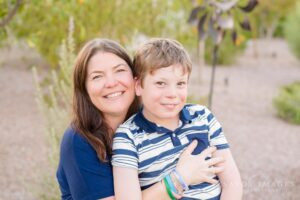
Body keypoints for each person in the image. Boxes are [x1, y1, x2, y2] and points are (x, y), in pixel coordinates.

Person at [56, 38, 226, 200]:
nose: (111, 82)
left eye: (120, 70)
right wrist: (180, 177)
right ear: (84, 88)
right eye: (97, 76)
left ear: (136, 79)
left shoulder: (152, 117)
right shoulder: (78, 142)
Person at [112, 38, 243, 200]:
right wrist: (180, 177)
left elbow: (232, 183)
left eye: (180, 84)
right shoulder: (128, 136)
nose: (172, 94)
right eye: (160, 83)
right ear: (138, 85)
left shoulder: (203, 117)